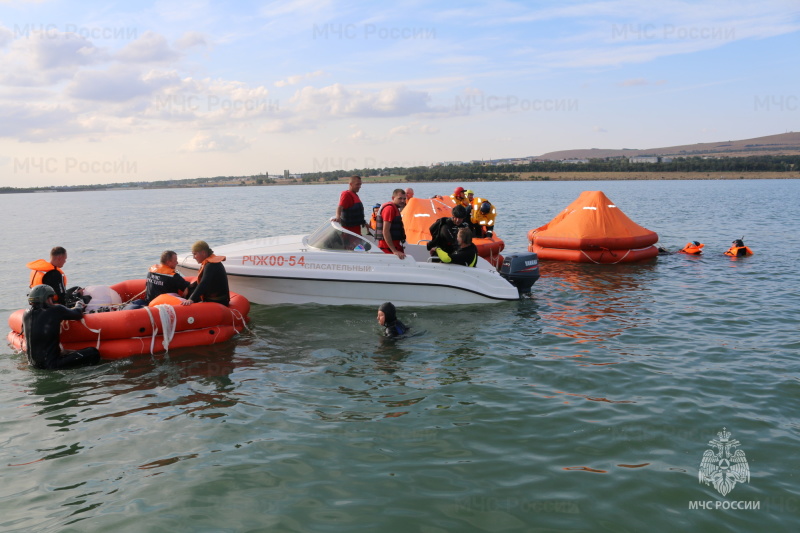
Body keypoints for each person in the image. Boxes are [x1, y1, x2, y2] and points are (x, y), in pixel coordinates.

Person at [21, 284, 101, 370]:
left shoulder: (26, 314)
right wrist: (79, 304)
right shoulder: (55, 310)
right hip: (52, 365)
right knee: (93, 353)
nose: (53, 301)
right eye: (52, 298)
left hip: (34, 365)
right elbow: (77, 314)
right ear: (48, 298)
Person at [182, 241, 230, 306]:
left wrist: (191, 299)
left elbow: (204, 283)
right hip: (215, 298)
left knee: (191, 295)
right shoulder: (209, 263)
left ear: (203, 253)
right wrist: (188, 287)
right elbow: (202, 281)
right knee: (190, 290)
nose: (194, 257)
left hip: (218, 302)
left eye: (195, 254)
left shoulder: (211, 265)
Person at [376, 189, 407, 259]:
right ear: (393, 198)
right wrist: (394, 251)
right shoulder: (390, 209)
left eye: (404, 199)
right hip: (387, 248)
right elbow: (385, 231)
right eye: (400, 198)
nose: (402, 201)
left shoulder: (395, 208)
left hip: (394, 246)